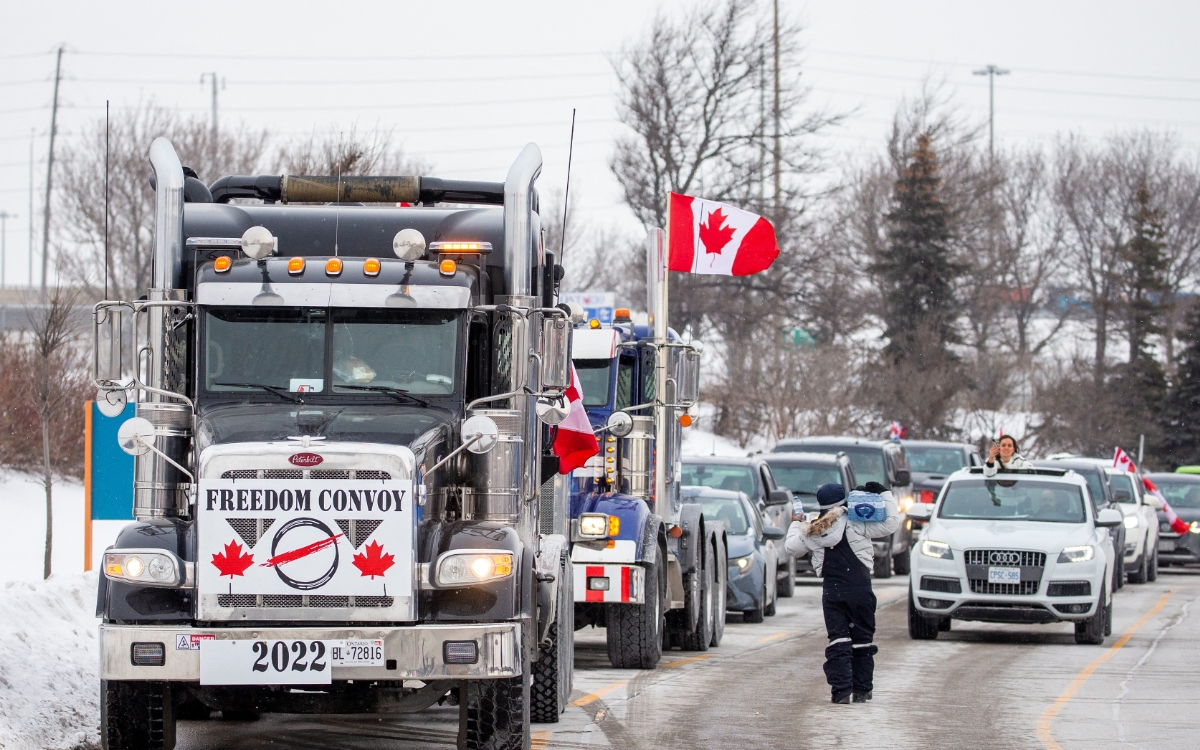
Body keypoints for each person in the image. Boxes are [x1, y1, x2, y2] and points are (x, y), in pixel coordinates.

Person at [786, 481, 900, 704]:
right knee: (862, 640)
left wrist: (796, 522)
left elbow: (791, 548)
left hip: (833, 592)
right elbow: (891, 523)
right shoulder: (857, 522)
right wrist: (884, 493)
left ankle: (841, 692)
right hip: (861, 589)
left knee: (838, 640)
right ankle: (862, 690)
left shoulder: (812, 531)